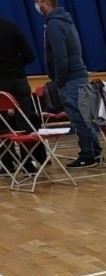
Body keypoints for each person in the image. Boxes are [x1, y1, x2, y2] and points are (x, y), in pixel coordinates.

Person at [35, 0, 101, 168]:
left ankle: (87, 155)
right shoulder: (64, 21)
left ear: (46, 2)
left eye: (37, 1)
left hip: (70, 79)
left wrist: (58, 81)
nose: (36, 5)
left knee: (79, 119)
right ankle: (95, 151)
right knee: (84, 118)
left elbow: (60, 56)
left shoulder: (54, 25)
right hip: (78, 76)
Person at [0, 15, 46, 173]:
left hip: (0, 84)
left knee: (2, 126)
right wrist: (15, 65)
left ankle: (6, 165)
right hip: (19, 81)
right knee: (26, 123)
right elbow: (29, 56)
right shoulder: (12, 27)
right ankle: (30, 163)